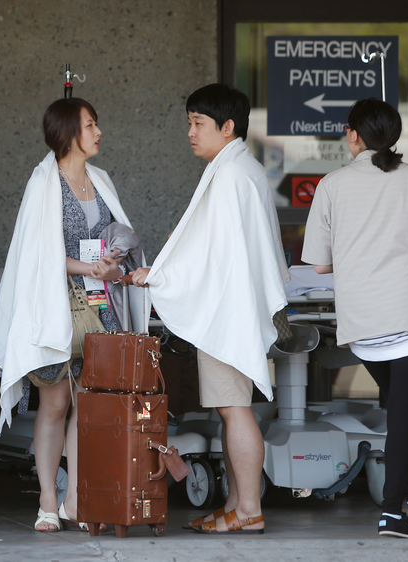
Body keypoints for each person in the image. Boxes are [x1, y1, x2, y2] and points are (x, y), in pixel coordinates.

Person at [301, 98, 408, 539]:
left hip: (364, 327)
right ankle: (393, 511)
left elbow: (318, 266)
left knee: (399, 408)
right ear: (393, 137)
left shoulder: (332, 185)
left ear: (353, 135)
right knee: (401, 414)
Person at [131, 83, 289, 535]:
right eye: (189, 123)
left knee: (234, 408)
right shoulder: (241, 167)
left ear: (227, 127)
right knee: (231, 407)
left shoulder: (231, 175)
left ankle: (249, 510)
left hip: (229, 311)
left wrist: (157, 273)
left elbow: (211, 252)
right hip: (235, 306)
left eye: (198, 123)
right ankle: (238, 506)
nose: (190, 132)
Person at [0, 98, 147, 532]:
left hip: (101, 305)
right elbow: (38, 252)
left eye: (96, 123)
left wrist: (113, 263)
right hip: (57, 304)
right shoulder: (44, 183)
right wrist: (88, 267)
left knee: (89, 404)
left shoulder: (101, 180)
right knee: (55, 402)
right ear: (67, 132)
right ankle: (46, 501)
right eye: (90, 124)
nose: (98, 132)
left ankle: (76, 497)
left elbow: (112, 238)